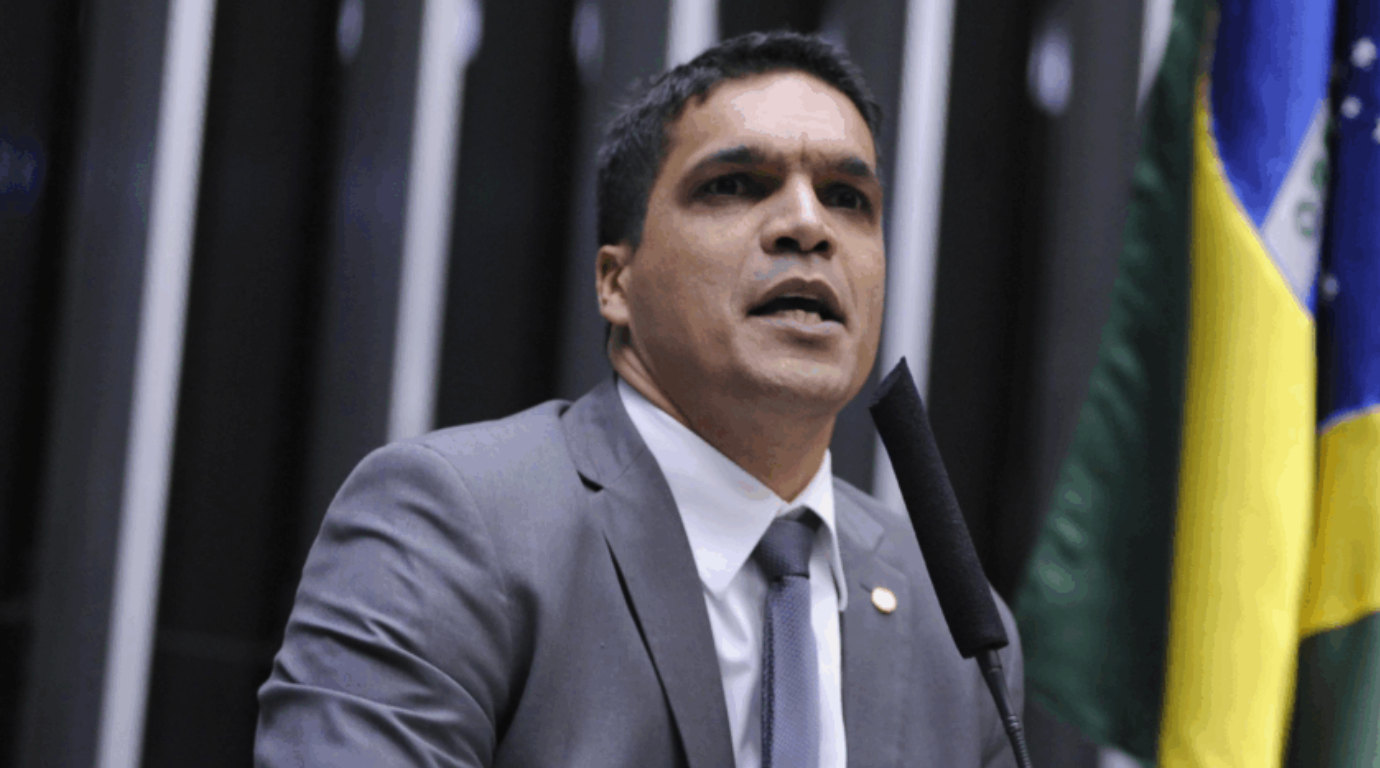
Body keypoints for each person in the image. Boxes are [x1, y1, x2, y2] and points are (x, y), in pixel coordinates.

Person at [255, 30, 1022, 767]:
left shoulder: (956, 623)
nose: (807, 225)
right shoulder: (448, 523)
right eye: (734, 185)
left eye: (848, 197)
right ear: (615, 282)